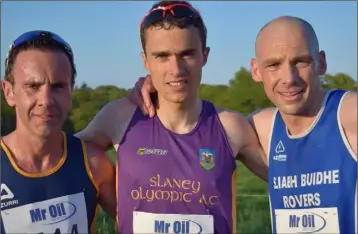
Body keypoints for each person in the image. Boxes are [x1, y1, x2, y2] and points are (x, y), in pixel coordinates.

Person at [134, 16, 357, 233]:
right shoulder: (260, 128)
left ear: (322, 63)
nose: (289, 77)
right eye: (273, 65)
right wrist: (158, 84)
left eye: (301, 61)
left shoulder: (348, 114)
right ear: (256, 70)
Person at [76, 1, 268, 233]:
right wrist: (112, 199)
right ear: (146, 60)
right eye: (162, 56)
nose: (176, 69)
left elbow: (288, 179)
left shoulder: (230, 126)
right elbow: (66, 153)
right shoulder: (120, 117)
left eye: (186, 54)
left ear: (204, 56)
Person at [0, 30, 116, 234]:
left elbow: (138, 223)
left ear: (71, 91)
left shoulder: (93, 163)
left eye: (58, 86)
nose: (46, 100)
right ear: (9, 92)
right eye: (33, 86)